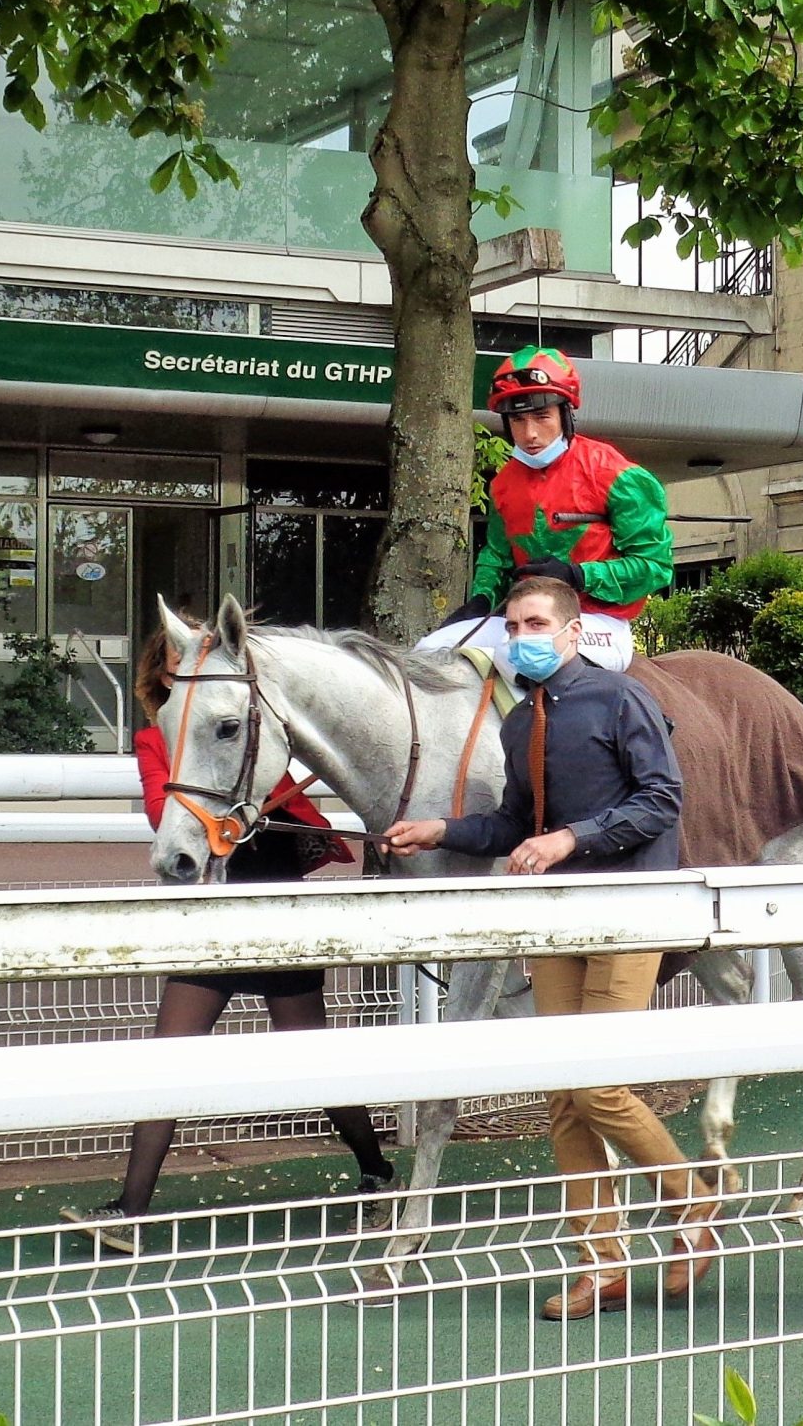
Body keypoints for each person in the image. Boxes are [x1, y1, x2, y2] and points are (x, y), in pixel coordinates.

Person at [381, 576, 714, 1319]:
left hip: (629, 909)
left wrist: (572, 837)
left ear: (571, 632)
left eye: (535, 622)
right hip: (560, 918)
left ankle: (693, 1202)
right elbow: (510, 824)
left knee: (598, 1086)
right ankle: (603, 1265)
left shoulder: (621, 698)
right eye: (511, 624)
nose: (520, 636)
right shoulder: (517, 721)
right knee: (565, 1096)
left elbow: (662, 798)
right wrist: (440, 829)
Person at [66, 629, 394, 1254]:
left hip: (274, 905)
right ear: (161, 675)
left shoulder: (246, 721)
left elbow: (286, 803)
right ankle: (130, 1211)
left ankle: (377, 1173)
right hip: (215, 912)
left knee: (311, 1060)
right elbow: (166, 813)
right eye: (177, 659)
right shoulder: (155, 738)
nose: (192, 666)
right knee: (169, 1059)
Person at [418, 346, 672, 675]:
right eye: (517, 420)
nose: (530, 434)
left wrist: (579, 576)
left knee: (528, 654)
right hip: (522, 620)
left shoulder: (618, 475)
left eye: (541, 417)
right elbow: (497, 556)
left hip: (597, 622)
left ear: (565, 414)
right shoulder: (504, 485)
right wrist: (481, 600)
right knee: (428, 651)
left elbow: (655, 566)